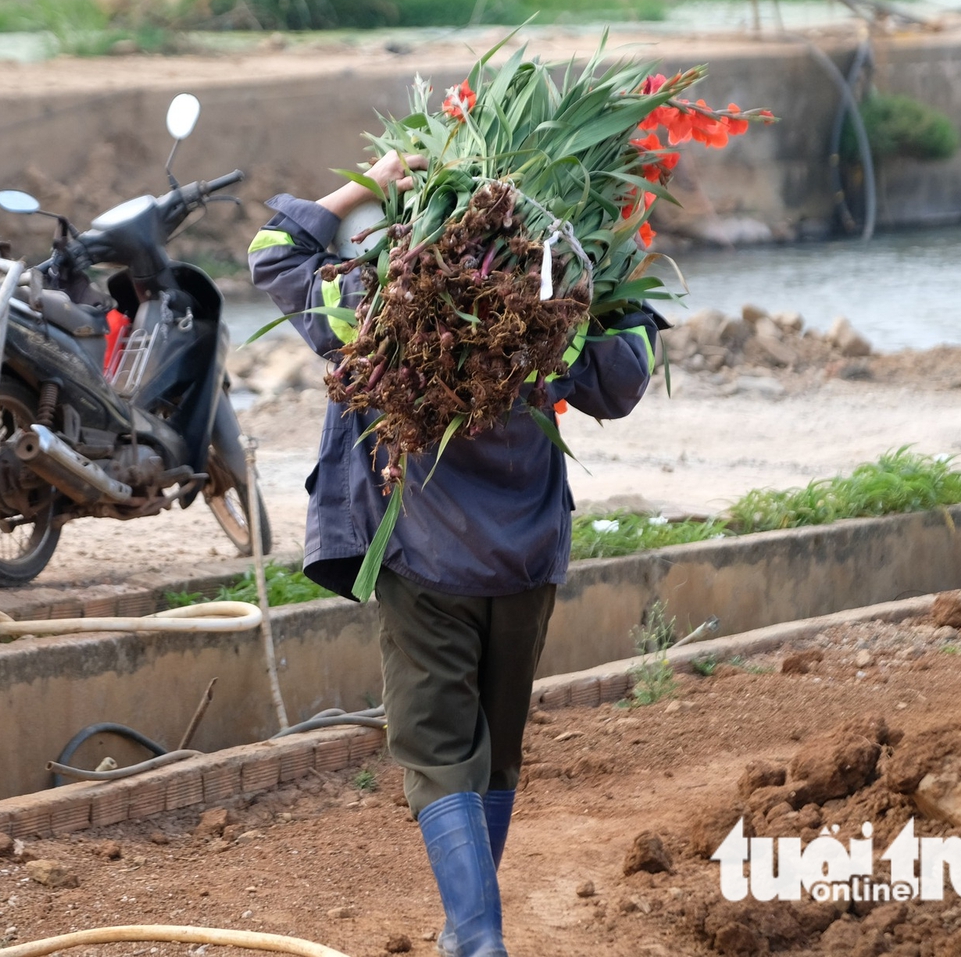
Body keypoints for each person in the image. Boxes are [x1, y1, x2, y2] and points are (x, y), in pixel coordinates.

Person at [246, 150, 662, 957]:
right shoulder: (555, 305)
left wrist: (373, 176)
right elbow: (624, 380)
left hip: (425, 560)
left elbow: (274, 250)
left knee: (440, 754)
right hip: (525, 560)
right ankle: (468, 933)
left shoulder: (379, 302)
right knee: (493, 753)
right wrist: (600, 268)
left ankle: (476, 939)